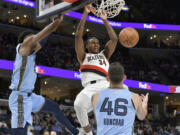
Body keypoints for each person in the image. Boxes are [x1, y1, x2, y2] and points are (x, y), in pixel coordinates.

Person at [8, 16, 79, 135]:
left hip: (30, 96)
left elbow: (42, 41)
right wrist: (54, 23)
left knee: (54, 107)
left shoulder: (31, 53)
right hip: (19, 98)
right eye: (32, 38)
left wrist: (52, 27)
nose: (35, 40)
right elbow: (39, 37)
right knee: (20, 132)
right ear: (25, 40)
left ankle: (73, 130)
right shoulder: (22, 49)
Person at [74, 5, 127, 135]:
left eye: (98, 43)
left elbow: (114, 39)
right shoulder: (83, 56)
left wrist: (105, 19)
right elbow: (77, 37)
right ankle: (87, 132)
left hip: (105, 84)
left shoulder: (105, 55)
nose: (96, 44)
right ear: (86, 46)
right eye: (93, 43)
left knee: (124, 90)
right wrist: (85, 13)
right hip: (90, 88)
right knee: (78, 104)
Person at [92, 62, 149, 135]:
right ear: (124, 77)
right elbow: (141, 117)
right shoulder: (135, 97)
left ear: (107, 78)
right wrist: (144, 104)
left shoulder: (96, 96)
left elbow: (99, 119)